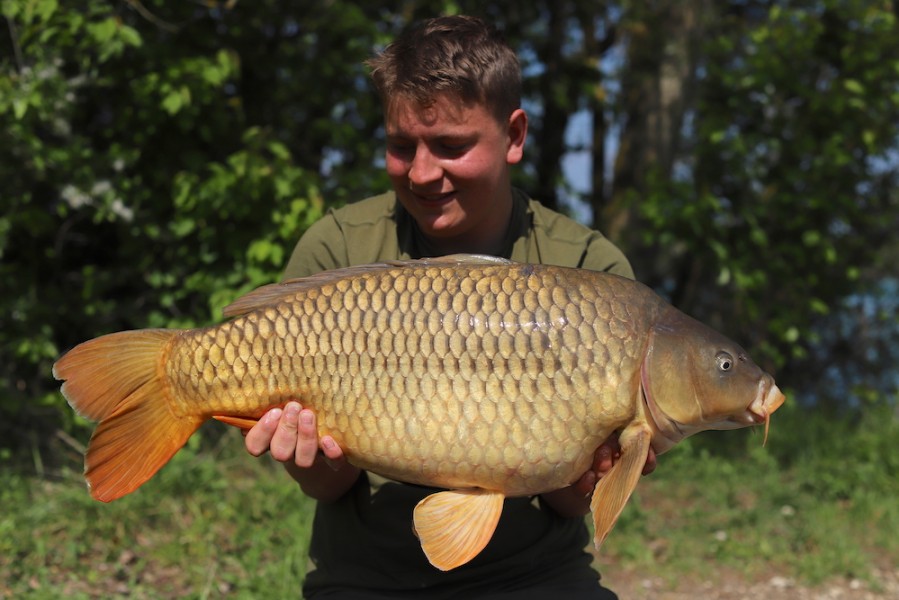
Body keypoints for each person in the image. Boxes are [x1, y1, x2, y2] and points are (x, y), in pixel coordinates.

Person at [243, 15, 655, 599]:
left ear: (514, 136)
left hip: (535, 576)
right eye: (399, 146)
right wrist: (308, 456)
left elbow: (567, 501)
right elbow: (329, 488)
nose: (421, 172)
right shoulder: (338, 247)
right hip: (366, 577)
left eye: (451, 146)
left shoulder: (591, 274)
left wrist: (601, 468)